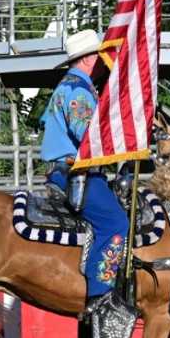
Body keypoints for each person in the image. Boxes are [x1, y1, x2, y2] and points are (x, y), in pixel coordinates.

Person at [40, 29, 129, 313]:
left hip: (65, 170)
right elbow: (90, 137)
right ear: (88, 59)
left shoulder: (69, 86)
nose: (103, 62)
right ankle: (100, 293)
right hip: (74, 173)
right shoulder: (79, 91)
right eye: (99, 56)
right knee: (116, 222)